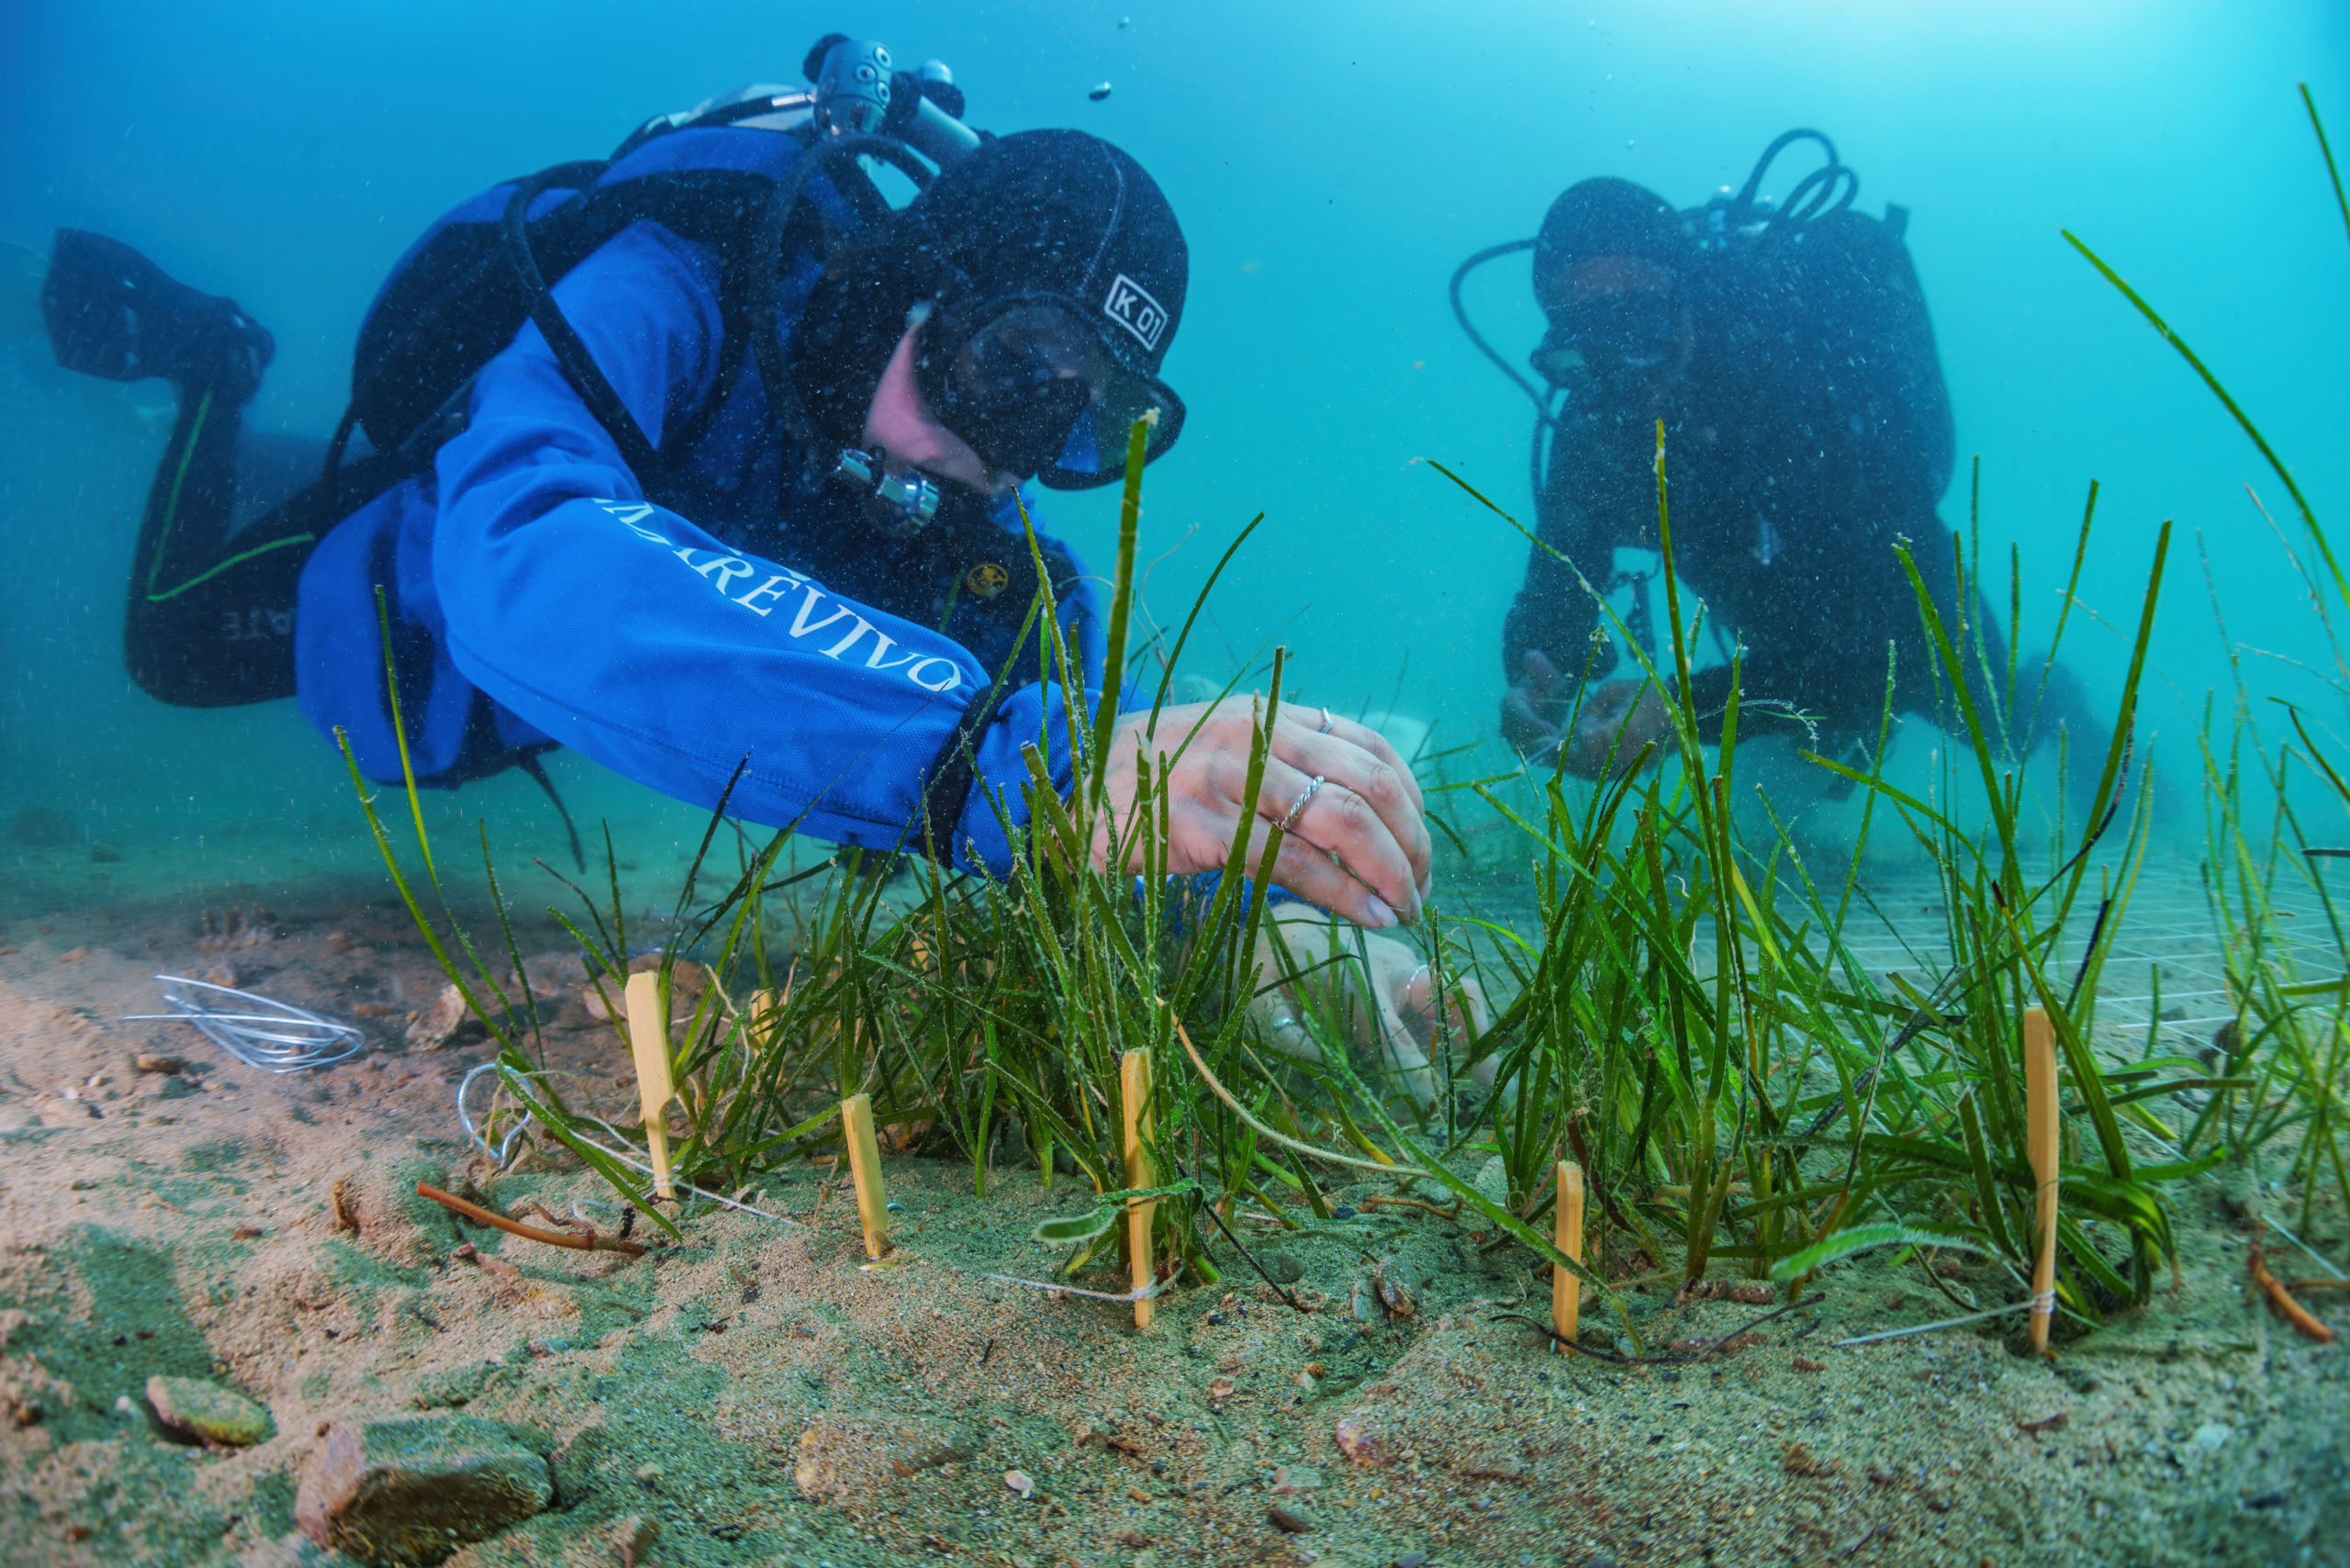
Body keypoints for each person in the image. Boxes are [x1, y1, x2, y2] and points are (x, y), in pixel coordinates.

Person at [39, 47, 1477, 1088]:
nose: (1008, 456)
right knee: (170, 644)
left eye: (1080, 421)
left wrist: (1298, 932)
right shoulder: (677, 283)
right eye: (1008, 367)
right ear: (904, 286)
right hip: (415, 587)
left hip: (588, 635)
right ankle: (215, 372)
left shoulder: (976, 529)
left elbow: (1115, 775)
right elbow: (525, 556)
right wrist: (997, 767)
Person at [1483, 136, 2111, 804]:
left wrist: (1682, 709)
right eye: (1586, 344)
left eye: (1640, 325)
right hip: (1760, 597)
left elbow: (1881, 642)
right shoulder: (1595, 419)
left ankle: (2061, 699)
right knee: (1806, 762)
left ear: (1690, 296)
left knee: (1996, 728)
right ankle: (1829, 737)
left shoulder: (1803, 373)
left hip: (1886, 576)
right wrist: (1540, 681)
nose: (1622, 369)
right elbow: (1555, 597)